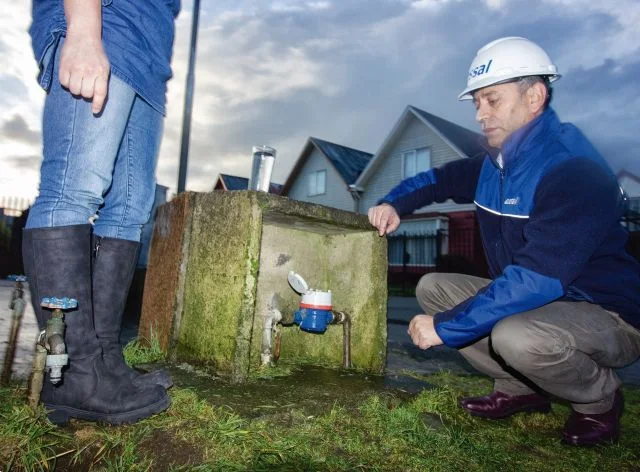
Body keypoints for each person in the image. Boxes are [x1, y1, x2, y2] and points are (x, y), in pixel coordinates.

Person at [368, 36, 640, 446]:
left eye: (492, 100)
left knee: (514, 333)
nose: (480, 114)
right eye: (477, 102)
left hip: (605, 312)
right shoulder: (495, 163)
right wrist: (393, 202)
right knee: (434, 287)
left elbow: (538, 279)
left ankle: (599, 401)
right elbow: (437, 180)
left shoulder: (572, 168)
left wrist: (447, 327)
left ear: (534, 96)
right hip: (544, 300)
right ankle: (519, 390)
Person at [22, 0, 180, 425]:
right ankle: (75, 375)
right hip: (107, 24)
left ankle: (106, 360)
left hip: (147, 56)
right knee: (73, 189)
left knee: (129, 209)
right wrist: (85, 31)